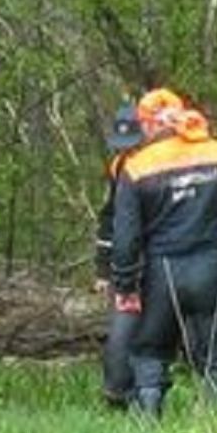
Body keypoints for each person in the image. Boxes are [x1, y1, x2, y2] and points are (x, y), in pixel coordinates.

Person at [112, 88, 217, 418]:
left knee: (149, 352)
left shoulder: (134, 168)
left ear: (147, 125)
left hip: (160, 275)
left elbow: (125, 238)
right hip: (214, 268)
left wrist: (125, 286)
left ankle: (147, 426)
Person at [92, 101, 146, 408]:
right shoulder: (118, 168)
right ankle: (118, 393)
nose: (127, 152)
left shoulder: (156, 165)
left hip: (156, 256)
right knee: (122, 327)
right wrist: (102, 270)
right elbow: (108, 219)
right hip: (126, 260)